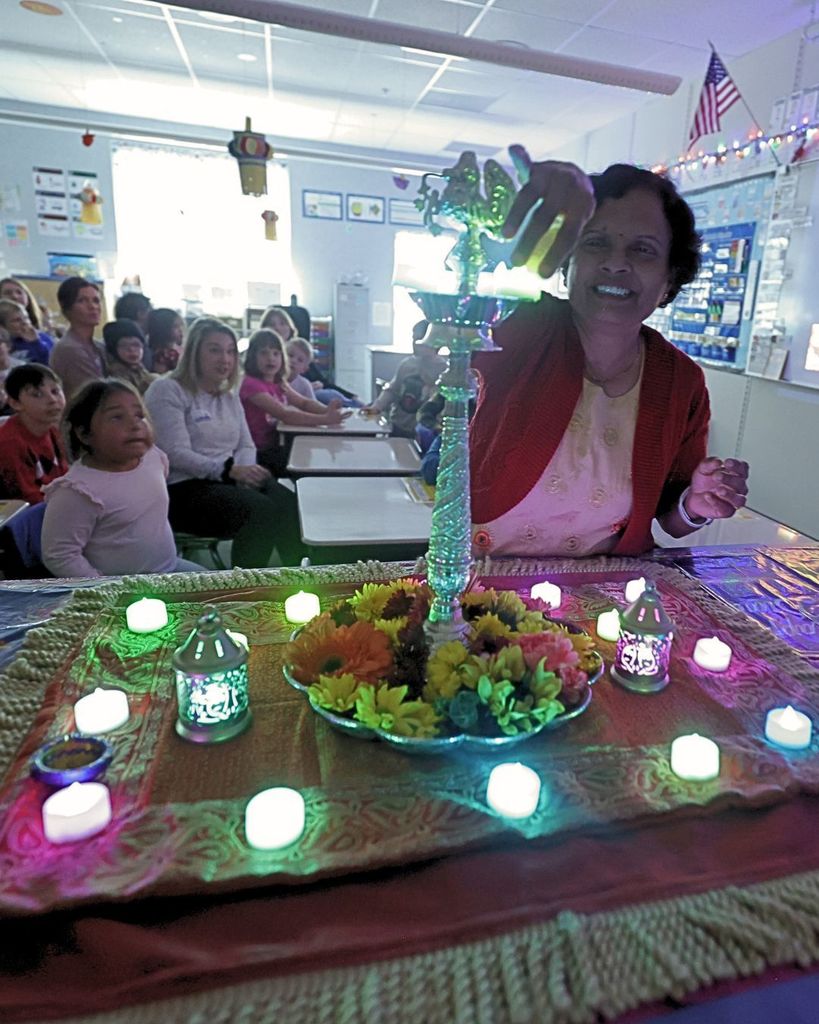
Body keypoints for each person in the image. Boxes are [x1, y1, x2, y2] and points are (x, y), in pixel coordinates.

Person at [469, 156, 749, 557]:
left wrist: (697, 504)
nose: (616, 263)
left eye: (643, 250)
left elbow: (672, 516)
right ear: (566, 261)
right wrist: (517, 205)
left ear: (670, 278)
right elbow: (463, 288)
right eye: (596, 242)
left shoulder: (681, 382)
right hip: (482, 585)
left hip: (606, 595)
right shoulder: (517, 323)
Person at [144, 317, 304, 569]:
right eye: (214, 350)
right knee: (261, 512)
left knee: (288, 503)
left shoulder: (228, 395)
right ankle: (245, 591)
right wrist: (229, 470)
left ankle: (298, 578)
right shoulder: (167, 390)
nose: (225, 359)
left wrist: (244, 474)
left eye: (230, 351)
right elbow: (176, 453)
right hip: (183, 487)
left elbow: (246, 445)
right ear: (194, 352)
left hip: (228, 477)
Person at [41, 379, 201, 578]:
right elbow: (59, 554)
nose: (135, 424)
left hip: (169, 569)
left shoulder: (153, 458)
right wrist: (101, 588)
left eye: (139, 415)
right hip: (120, 589)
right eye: (117, 417)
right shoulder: (78, 490)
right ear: (84, 433)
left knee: (221, 596)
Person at [239, 329, 344, 473]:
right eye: (264, 353)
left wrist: (328, 410)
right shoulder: (250, 384)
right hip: (259, 451)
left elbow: (304, 403)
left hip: (278, 441)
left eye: (276, 353)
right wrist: (325, 419)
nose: (271, 358)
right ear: (252, 357)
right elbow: (285, 414)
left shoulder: (278, 382)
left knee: (318, 453)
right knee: (311, 463)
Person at [362, 320, 446, 438]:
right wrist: (376, 407)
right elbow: (392, 390)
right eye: (413, 338)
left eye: (419, 340)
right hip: (398, 425)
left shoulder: (443, 370)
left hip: (423, 431)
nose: (415, 344)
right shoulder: (407, 364)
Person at [262, 306, 359, 406]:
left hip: (313, 396)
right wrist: (307, 388)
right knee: (326, 395)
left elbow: (323, 381)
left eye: (282, 323)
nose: (277, 328)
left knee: (332, 394)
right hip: (299, 399)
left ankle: (360, 406)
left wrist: (350, 396)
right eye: (272, 324)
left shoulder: (300, 351)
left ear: (290, 328)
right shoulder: (267, 359)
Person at [0, 363, 66, 503]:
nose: (53, 400)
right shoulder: (9, 443)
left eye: (55, 391)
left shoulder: (52, 429)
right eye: (37, 395)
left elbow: (64, 476)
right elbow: (27, 500)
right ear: (15, 403)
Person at [50, 277, 105, 398]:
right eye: (82, 301)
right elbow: (93, 393)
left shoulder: (99, 346)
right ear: (67, 308)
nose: (92, 306)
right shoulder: (68, 348)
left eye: (96, 300)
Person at [102, 319, 157, 394]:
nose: (132, 350)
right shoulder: (115, 376)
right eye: (124, 345)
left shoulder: (139, 369)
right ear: (113, 350)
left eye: (136, 345)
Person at [0, 298, 54, 364]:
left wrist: (36, 343)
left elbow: (52, 362)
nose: (24, 322)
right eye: (17, 320)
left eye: (26, 317)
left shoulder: (41, 337)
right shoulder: (3, 346)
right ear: (2, 326)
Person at [146, 307, 186, 374]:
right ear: (164, 329)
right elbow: (160, 376)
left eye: (181, 325)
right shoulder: (162, 354)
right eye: (175, 326)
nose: (180, 330)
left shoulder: (178, 349)